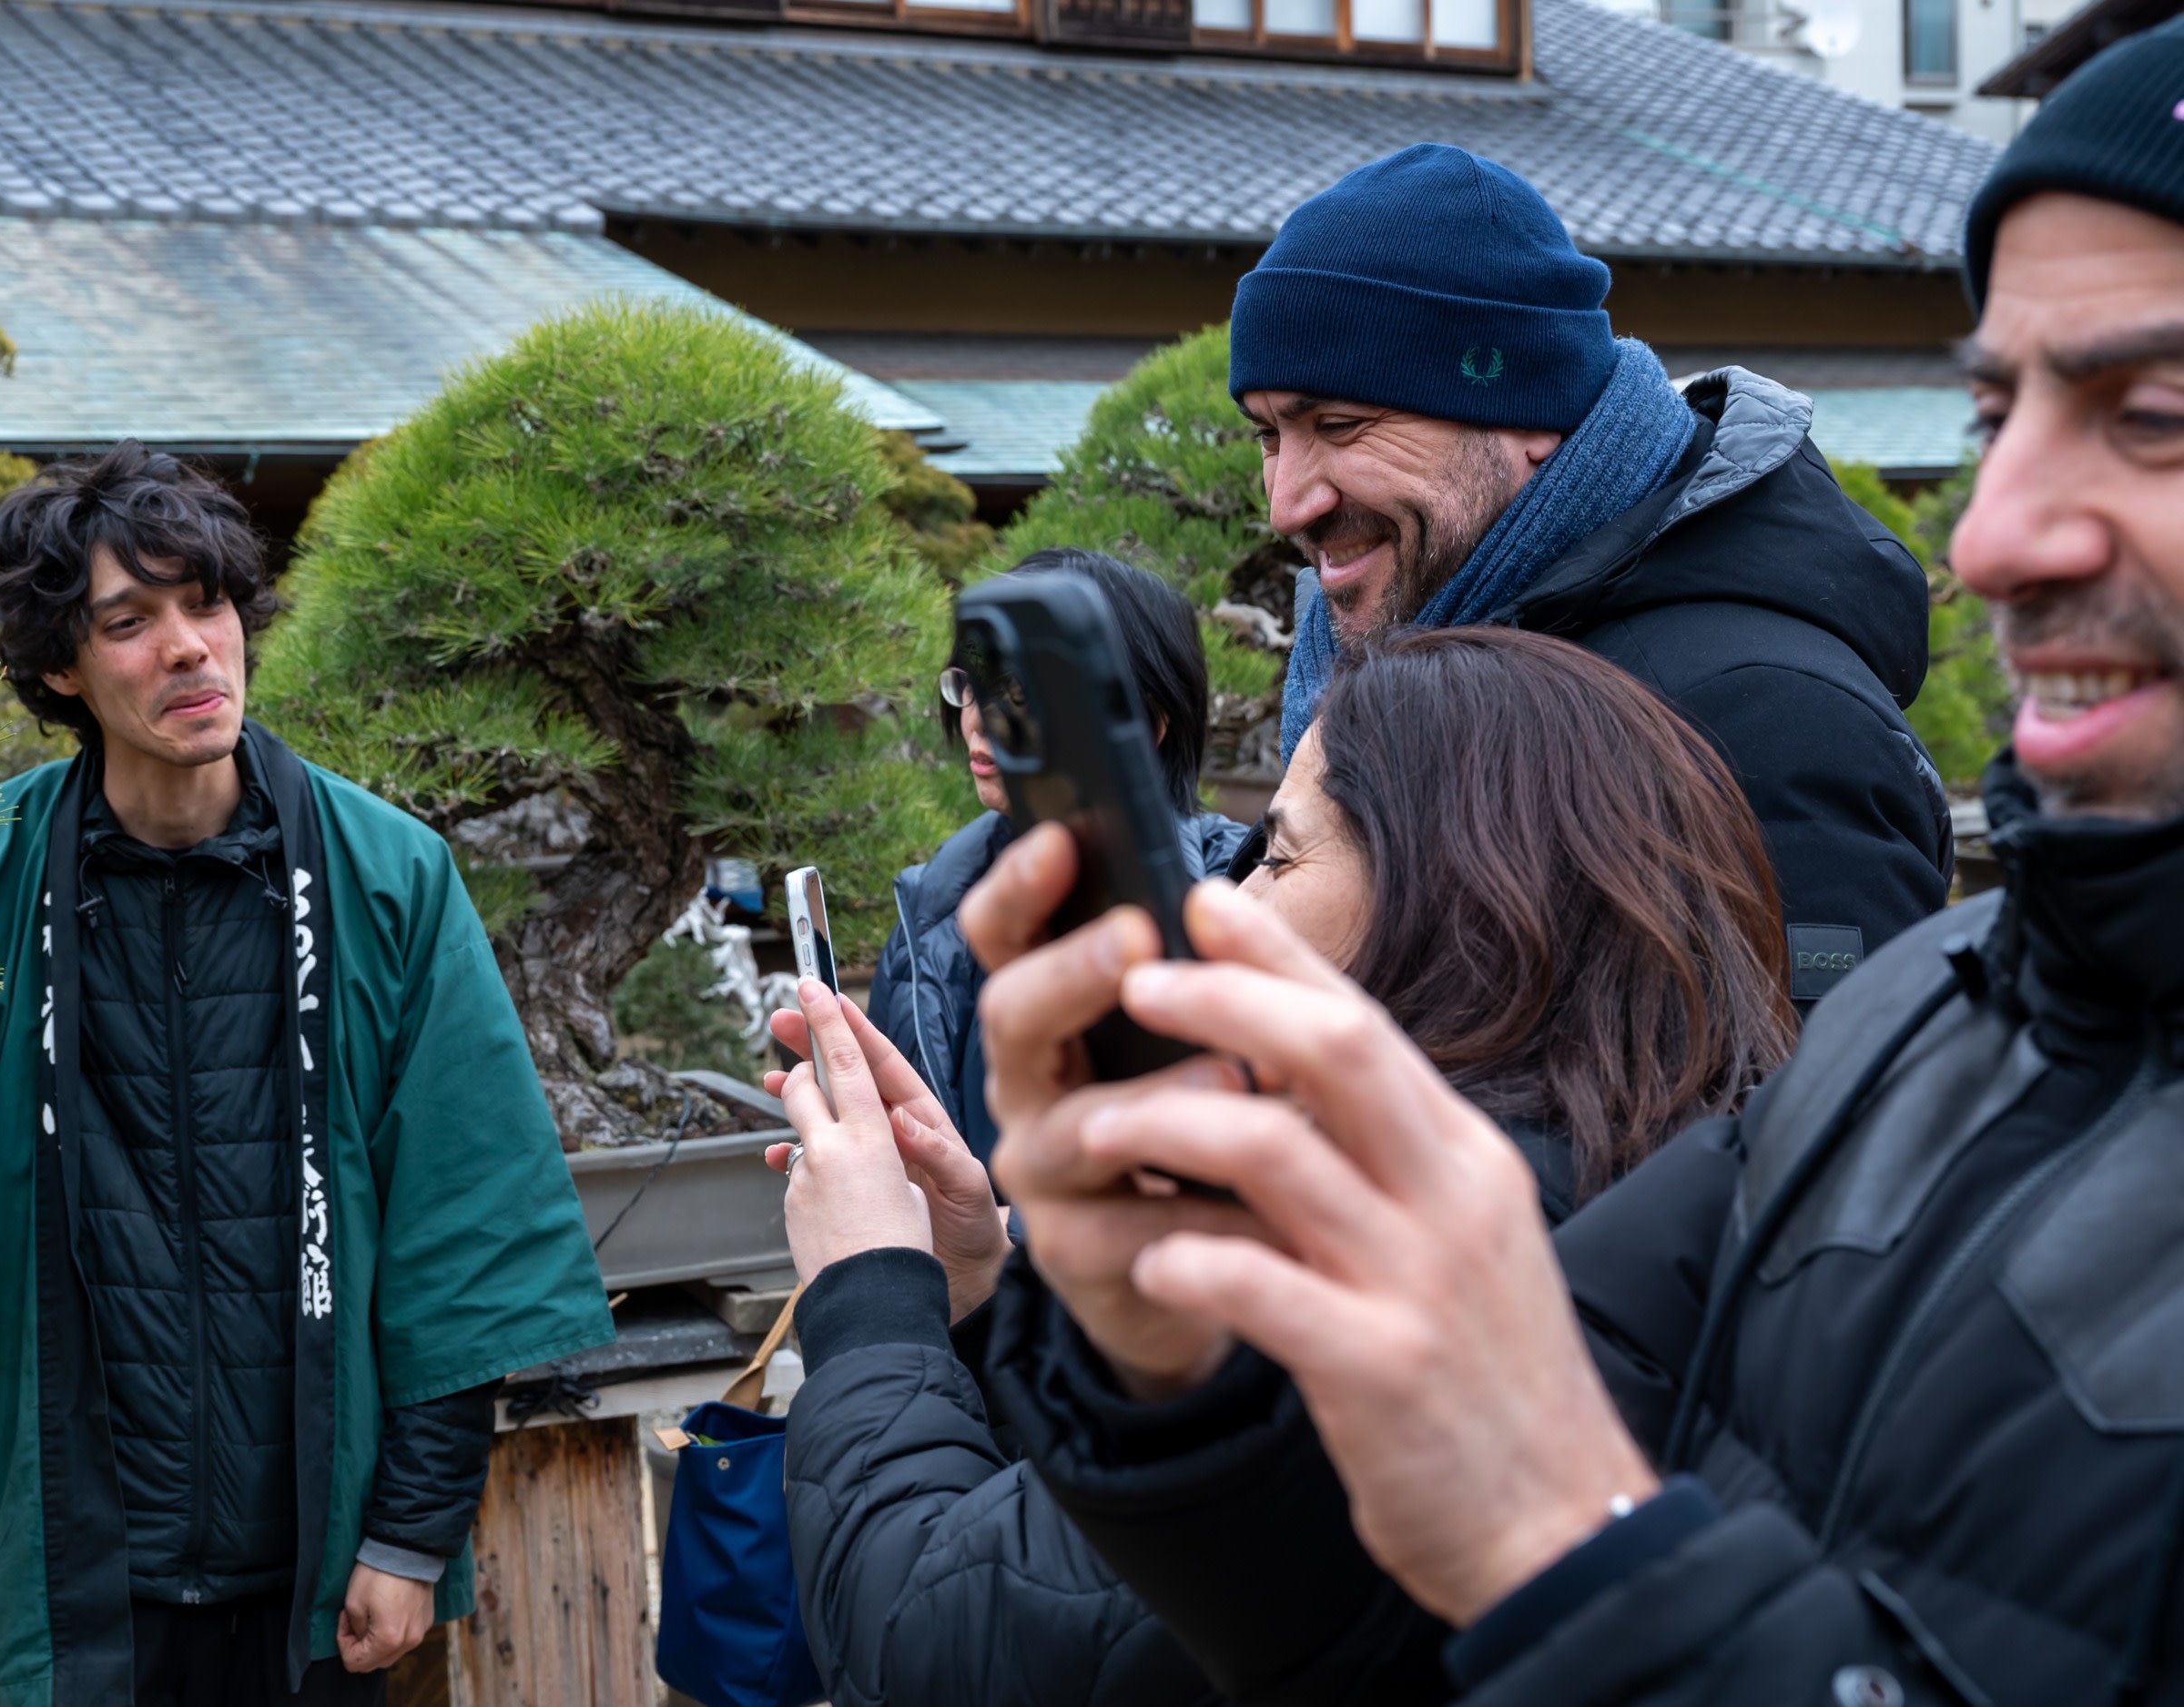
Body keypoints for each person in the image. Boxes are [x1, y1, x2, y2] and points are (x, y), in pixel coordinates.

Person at [964, 27, 2184, 1704]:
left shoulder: (1761, 711)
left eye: (2157, 415)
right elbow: (1413, 1574)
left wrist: (1571, 1534)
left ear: (1519, 417)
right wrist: (1179, 1372)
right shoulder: (1942, 1021)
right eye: (1997, 408)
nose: (1989, 534)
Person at [0, 442, 615, 1706]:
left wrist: (406, 1532)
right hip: (78, 1574)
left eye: (207, 602)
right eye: (130, 619)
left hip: (313, 1565)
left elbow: (466, 1221)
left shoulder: (389, 876)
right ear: (60, 666)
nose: (187, 647)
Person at [764, 626, 1797, 1707]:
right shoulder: (1704, 1195)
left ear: (1458, 901)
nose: (1224, 906)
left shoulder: (1380, 1291)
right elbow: (1109, 1572)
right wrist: (984, 1286)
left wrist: (871, 1293)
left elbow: (925, 1644)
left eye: (1278, 856)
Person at [1239, 142, 1951, 1005]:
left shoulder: (1767, 724)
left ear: (1527, 409)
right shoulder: (1400, 641)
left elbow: (1833, 1117)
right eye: (1270, 435)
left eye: (1343, 424)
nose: (1288, 502)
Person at [869, 548, 1248, 1168]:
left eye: (1019, 692)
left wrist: (1009, 1235)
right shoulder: (926, 908)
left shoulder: (1239, 890)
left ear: (1144, 722)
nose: (979, 722)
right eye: (971, 684)